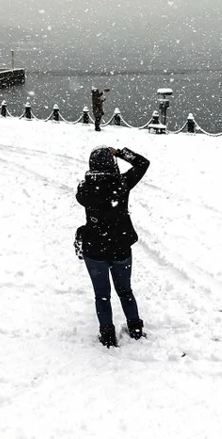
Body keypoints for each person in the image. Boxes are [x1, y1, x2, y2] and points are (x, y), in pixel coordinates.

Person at [76, 145, 150, 347]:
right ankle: (135, 328)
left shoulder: (85, 189)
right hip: (120, 246)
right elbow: (143, 163)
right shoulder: (122, 184)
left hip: (95, 249)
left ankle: (107, 334)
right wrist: (120, 152)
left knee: (102, 295)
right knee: (125, 291)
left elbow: (84, 195)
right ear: (112, 165)